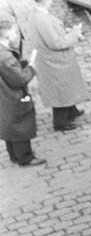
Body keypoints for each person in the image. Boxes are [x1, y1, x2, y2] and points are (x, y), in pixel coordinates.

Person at [25, 0, 87, 133]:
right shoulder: (43, 19)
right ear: (47, 0)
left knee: (66, 88)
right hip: (55, 61)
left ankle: (72, 111)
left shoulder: (36, 15)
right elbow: (56, 43)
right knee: (61, 91)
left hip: (51, 59)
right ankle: (60, 122)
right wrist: (74, 34)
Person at [0, 19, 42, 167]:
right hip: (12, 97)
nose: (17, 36)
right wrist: (31, 68)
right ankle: (26, 158)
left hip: (3, 99)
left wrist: (20, 65)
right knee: (21, 126)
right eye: (15, 33)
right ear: (6, 36)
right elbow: (19, 80)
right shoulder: (5, 57)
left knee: (9, 127)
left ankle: (14, 155)